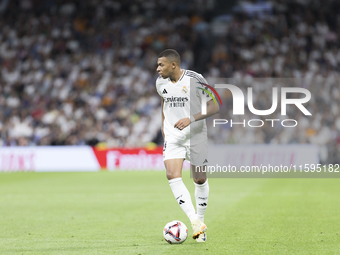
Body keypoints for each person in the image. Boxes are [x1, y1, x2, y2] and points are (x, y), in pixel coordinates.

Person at [155, 49, 219, 242]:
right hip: (174, 136)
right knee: (172, 175)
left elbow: (214, 105)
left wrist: (190, 119)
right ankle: (195, 223)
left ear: (173, 65)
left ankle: (200, 220)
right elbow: (163, 104)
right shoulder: (160, 83)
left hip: (196, 135)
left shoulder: (196, 78)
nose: (158, 69)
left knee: (199, 179)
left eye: (161, 65)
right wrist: (163, 127)